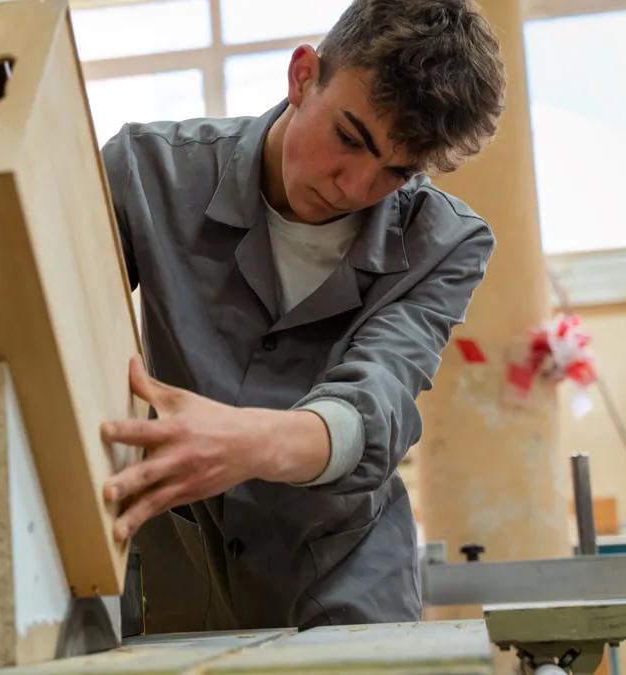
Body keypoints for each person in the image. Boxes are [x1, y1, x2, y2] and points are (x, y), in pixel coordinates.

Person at [97, 0, 506, 632]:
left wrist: (252, 443)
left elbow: (378, 400)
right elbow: (43, 327)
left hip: (346, 583)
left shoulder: (445, 242)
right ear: (302, 76)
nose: (353, 187)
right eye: (349, 137)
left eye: (395, 172)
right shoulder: (145, 175)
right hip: (175, 577)